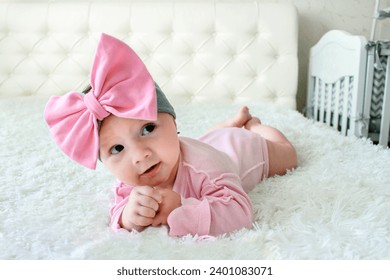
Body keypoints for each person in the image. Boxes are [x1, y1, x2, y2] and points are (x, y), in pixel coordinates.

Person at [44, 33, 297, 237]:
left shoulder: (207, 168)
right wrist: (128, 216)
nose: (140, 155)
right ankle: (229, 124)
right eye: (117, 149)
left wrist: (181, 209)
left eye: (147, 129)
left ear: (173, 122)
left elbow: (240, 212)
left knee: (287, 155)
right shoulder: (132, 181)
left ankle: (250, 126)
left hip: (243, 149)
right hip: (205, 142)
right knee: (204, 141)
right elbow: (118, 207)